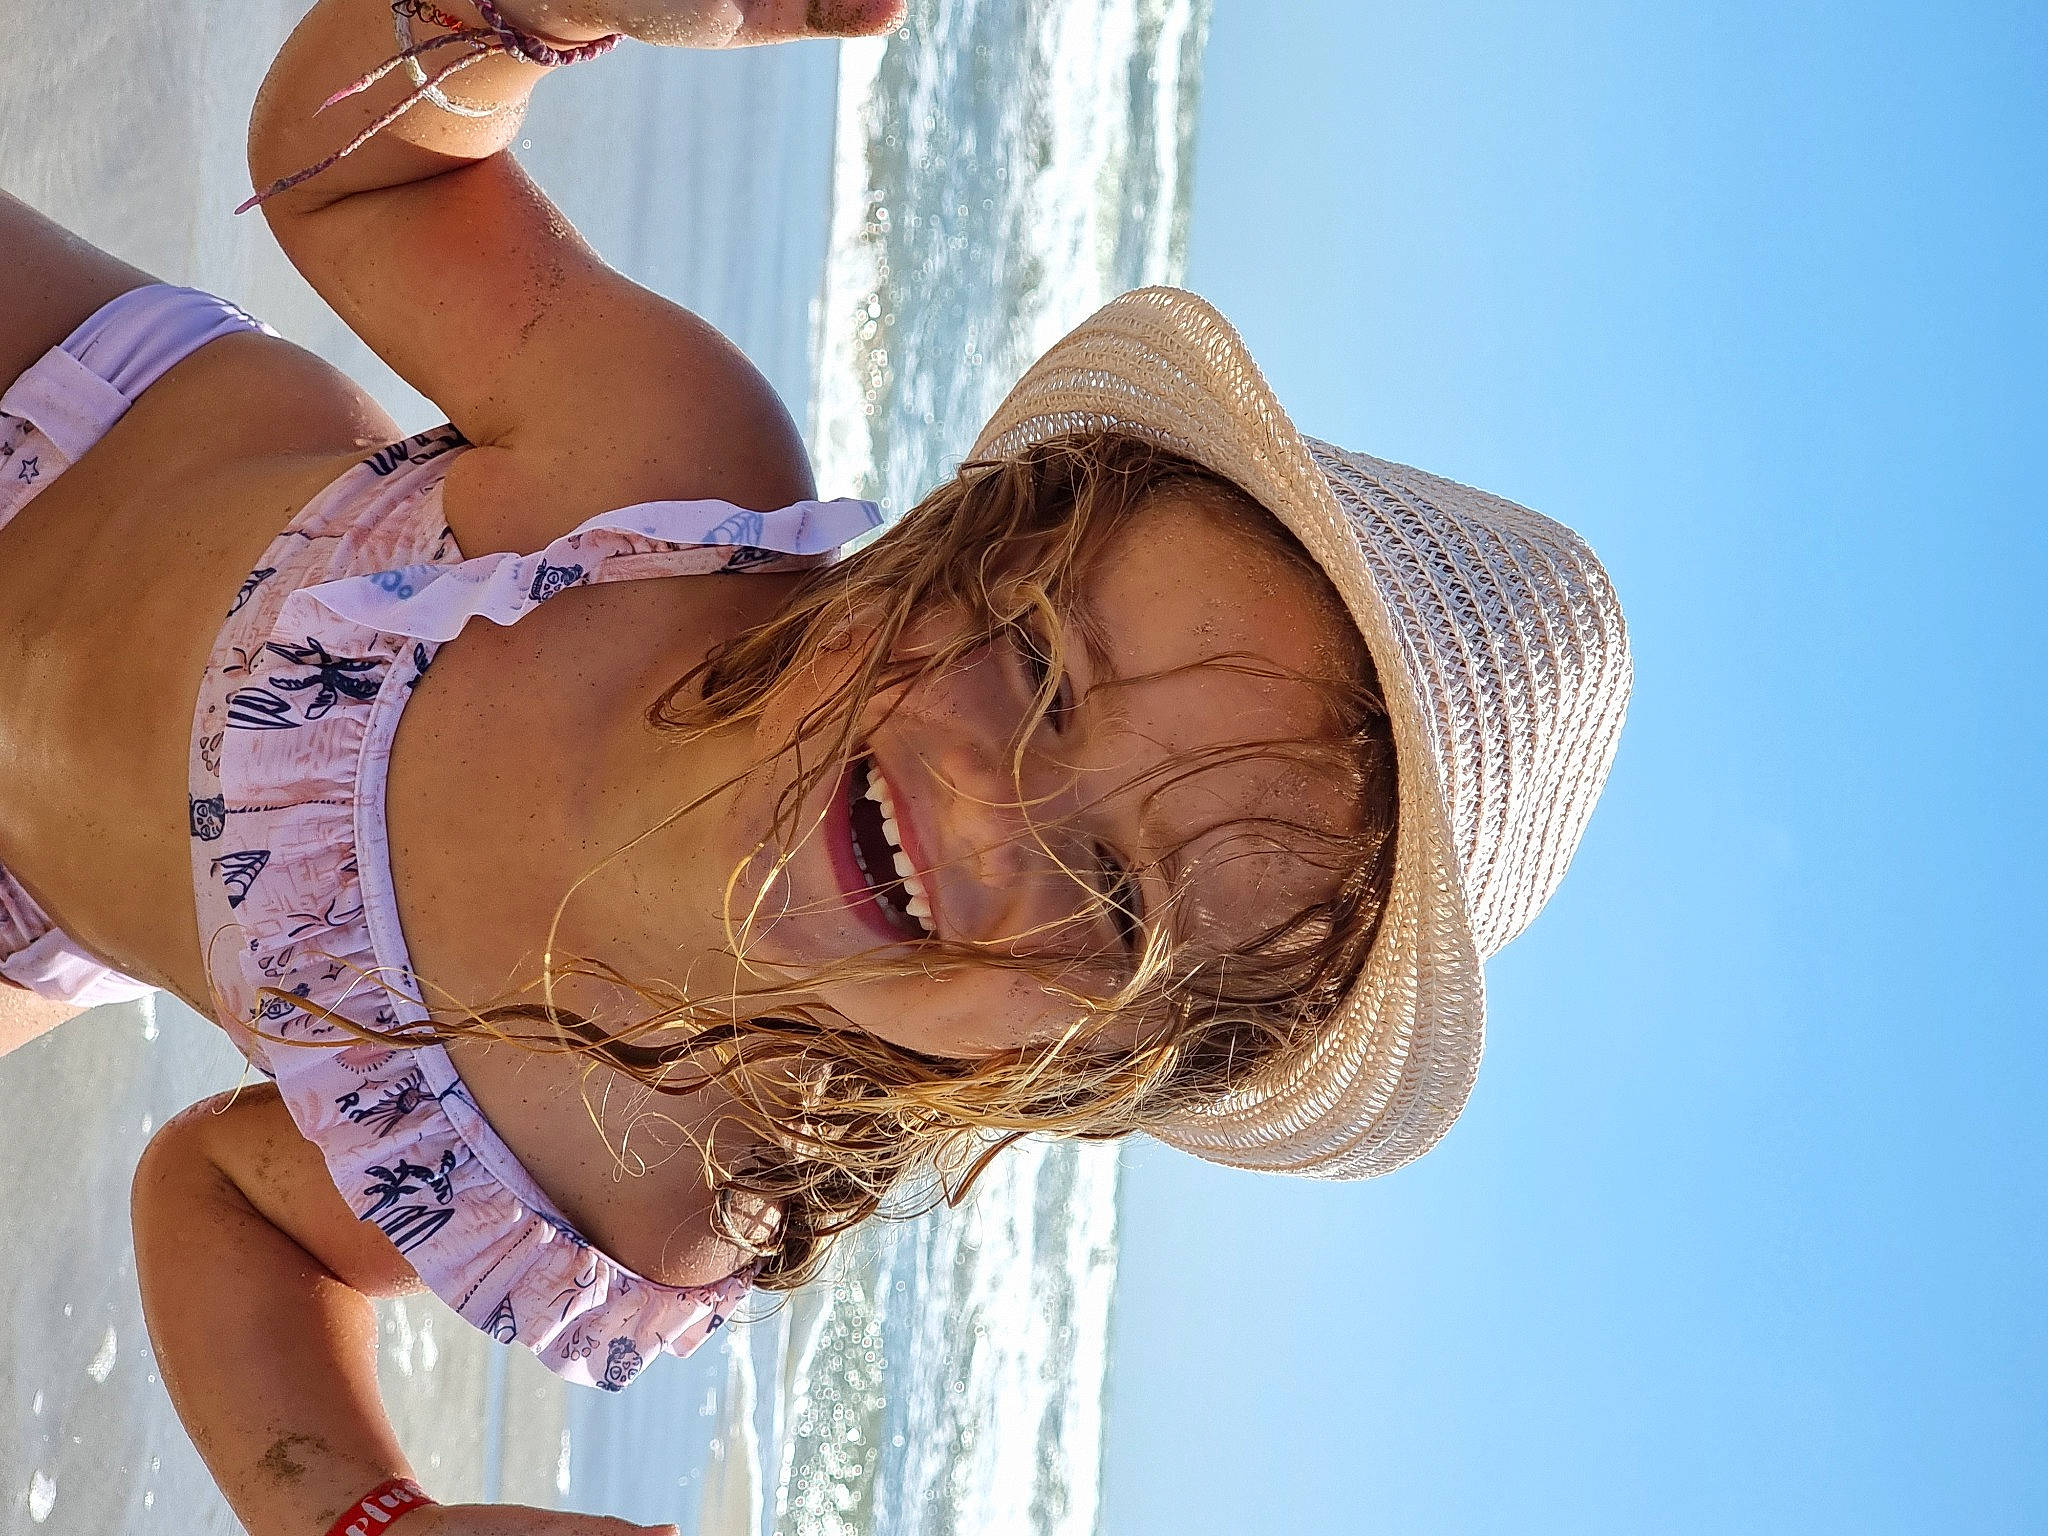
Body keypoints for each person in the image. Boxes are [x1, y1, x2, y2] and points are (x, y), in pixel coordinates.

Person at [0, 1, 1631, 1531]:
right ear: (976, 537)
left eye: (1116, 896)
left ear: (1091, 1066)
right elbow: (350, 178)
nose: (997, 802)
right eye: (1043, 668)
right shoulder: (660, 490)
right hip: (62, 405)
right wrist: (529, 14)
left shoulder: (634, 1164)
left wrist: (358, 1513)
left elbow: (228, 1202)